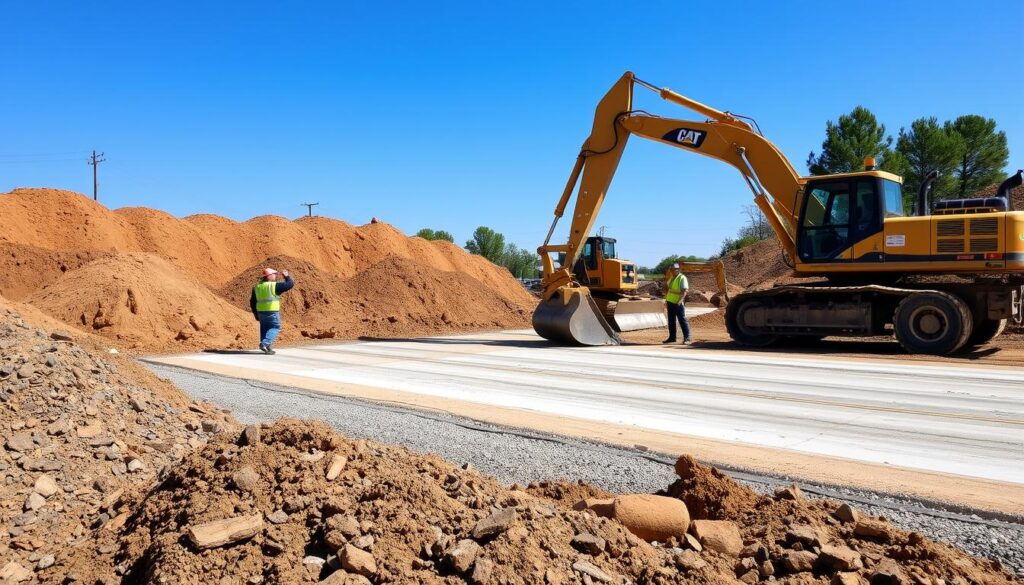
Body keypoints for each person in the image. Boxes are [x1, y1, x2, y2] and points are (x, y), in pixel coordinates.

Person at [250, 267, 294, 354]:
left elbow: (252, 301)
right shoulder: (273, 286)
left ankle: (266, 347)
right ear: (269, 276)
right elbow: (289, 284)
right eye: (273, 274)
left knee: (265, 327)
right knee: (275, 326)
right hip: (271, 311)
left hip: (261, 312)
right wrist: (287, 276)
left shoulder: (257, 287)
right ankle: (265, 343)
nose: (275, 276)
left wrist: (255, 313)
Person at [663, 263, 691, 345]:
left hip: (678, 302)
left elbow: (685, 291)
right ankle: (672, 338)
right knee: (671, 321)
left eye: (676, 269)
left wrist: (680, 300)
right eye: (673, 269)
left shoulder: (682, 278)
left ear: (679, 269)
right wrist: (666, 300)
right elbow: (669, 290)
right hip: (670, 302)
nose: (674, 270)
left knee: (682, 320)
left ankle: (687, 338)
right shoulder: (672, 278)